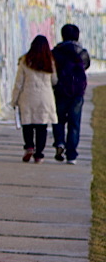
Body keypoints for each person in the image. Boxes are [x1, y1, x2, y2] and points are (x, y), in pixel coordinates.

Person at [10, 35, 58, 163]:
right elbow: (54, 80)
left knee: (28, 123)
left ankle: (29, 146)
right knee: (42, 126)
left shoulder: (25, 61)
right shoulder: (50, 61)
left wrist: (14, 100)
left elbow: (19, 83)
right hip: (45, 97)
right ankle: (39, 155)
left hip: (28, 96)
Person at [52, 23, 91, 164]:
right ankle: (72, 155)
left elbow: (53, 69)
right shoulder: (82, 52)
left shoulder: (56, 51)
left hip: (60, 90)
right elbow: (85, 66)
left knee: (58, 120)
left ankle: (60, 142)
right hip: (77, 92)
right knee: (74, 123)